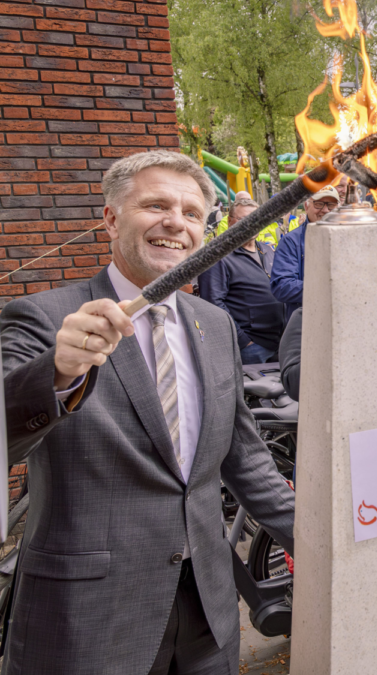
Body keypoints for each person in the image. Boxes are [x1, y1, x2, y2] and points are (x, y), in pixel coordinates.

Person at [0, 150, 295, 673]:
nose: (175, 223)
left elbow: (246, 460)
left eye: (191, 213)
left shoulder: (215, 324)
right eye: (155, 205)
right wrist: (58, 372)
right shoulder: (46, 317)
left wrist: (327, 542)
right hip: (89, 619)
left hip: (209, 610)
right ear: (111, 218)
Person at [197, 198, 286, 365]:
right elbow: (213, 304)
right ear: (230, 222)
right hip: (251, 347)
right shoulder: (217, 256)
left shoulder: (267, 250)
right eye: (244, 219)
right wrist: (243, 341)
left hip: (279, 342)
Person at [270, 185, 339, 322]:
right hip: (306, 323)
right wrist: (327, 288)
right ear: (306, 206)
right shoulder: (291, 242)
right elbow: (282, 286)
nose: (325, 210)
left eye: (331, 205)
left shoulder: (347, 237)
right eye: (319, 204)